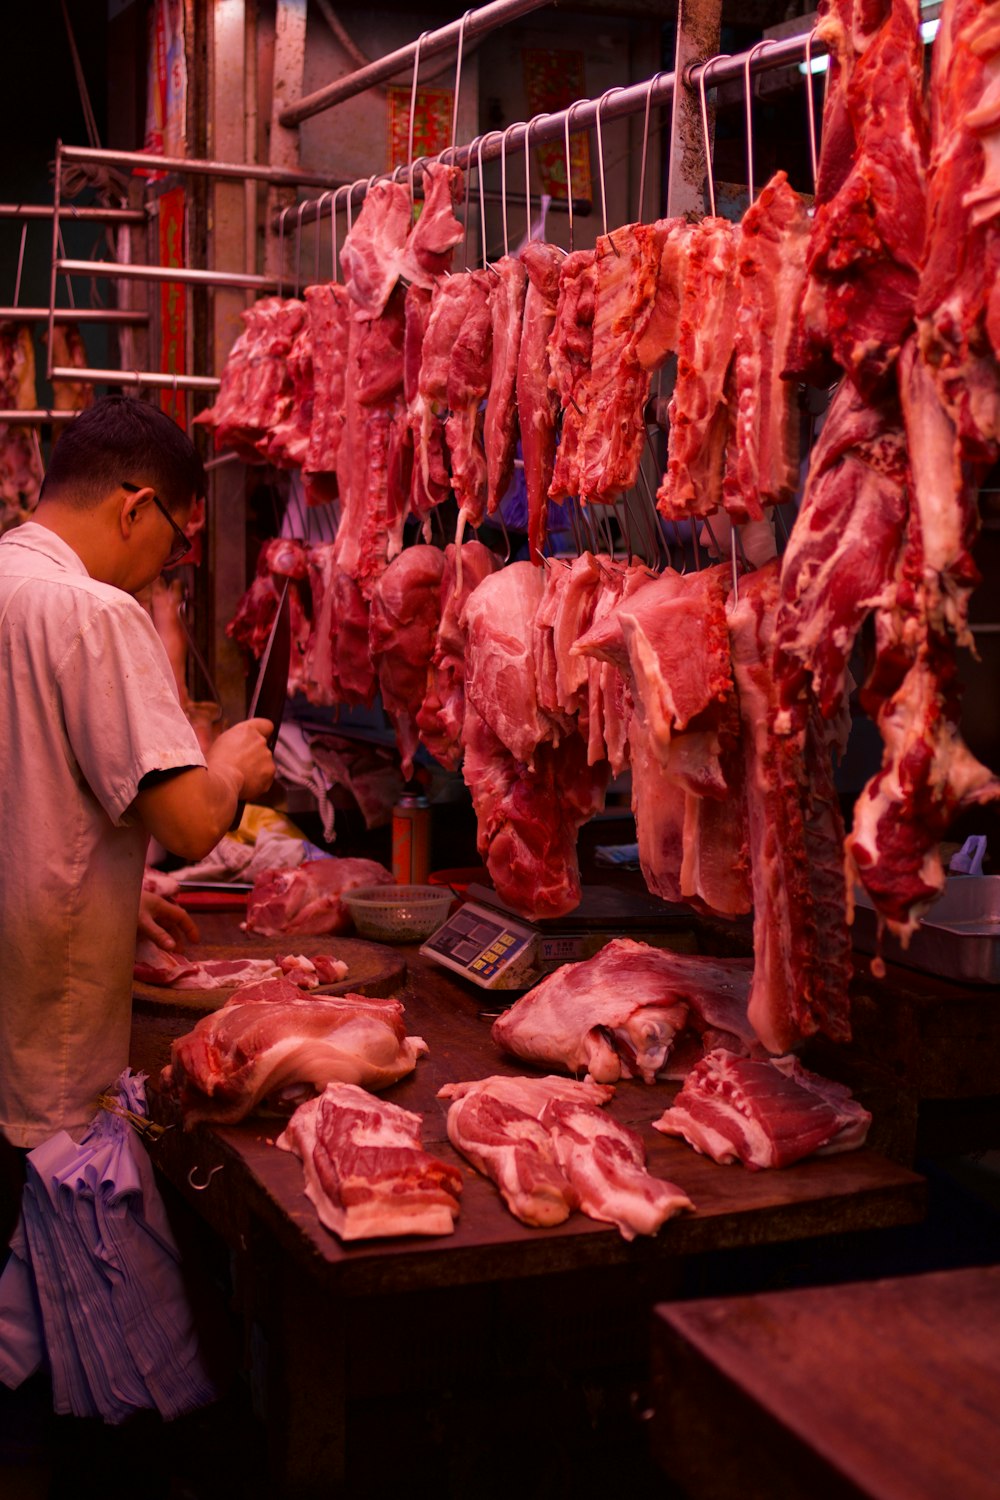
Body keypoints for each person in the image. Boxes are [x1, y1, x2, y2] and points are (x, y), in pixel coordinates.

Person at [0, 394, 274, 1173]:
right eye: (177, 542)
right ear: (138, 508)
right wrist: (229, 769)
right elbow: (189, 824)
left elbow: (26, 789)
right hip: (48, 1075)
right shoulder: (93, 613)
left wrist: (103, 891)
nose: (168, 564)